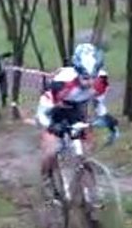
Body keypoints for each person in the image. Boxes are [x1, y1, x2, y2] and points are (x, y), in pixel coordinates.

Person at [36, 42, 119, 193]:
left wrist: (107, 119)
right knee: (51, 151)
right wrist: (50, 125)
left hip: (77, 111)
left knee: (84, 153)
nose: (90, 82)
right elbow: (43, 110)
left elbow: (99, 104)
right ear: (77, 71)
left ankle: (90, 192)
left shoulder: (101, 81)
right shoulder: (62, 82)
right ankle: (47, 180)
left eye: (93, 77)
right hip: (54, 111)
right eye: (86, 77)